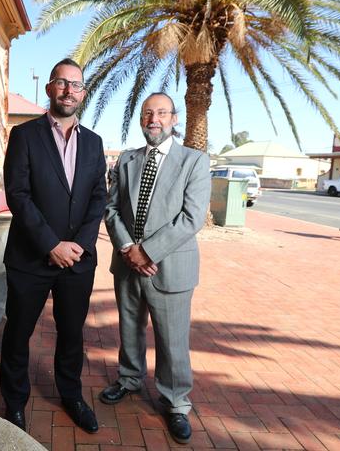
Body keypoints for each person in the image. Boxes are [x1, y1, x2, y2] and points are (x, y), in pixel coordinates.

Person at [0, 58, 107, 433]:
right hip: (31, 257)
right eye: (62, 83)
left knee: (72, 334)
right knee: (17, 334)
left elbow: (98, 199)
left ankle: (72, 395)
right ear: (49, 89)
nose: (68, 90)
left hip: (77, 261)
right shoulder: (25, 136)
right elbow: (18, 195)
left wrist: (77, 245)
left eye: (76, 85)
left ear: (83, 93)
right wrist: (51, 245)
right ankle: (14, 403)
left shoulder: (94, 143)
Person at [99, 93, 210, 444]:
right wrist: (128, 248)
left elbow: (191, 218)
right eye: (148, 113)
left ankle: (176, 402)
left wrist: (147, 251)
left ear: (174, 119)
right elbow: (111, 207)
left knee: (172, 338)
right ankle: (130, 379)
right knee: (130, 327)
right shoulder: (128, 160)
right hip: (127, 261)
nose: (154, 119)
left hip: (170, 265)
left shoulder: (194, 161)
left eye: (162, 112)